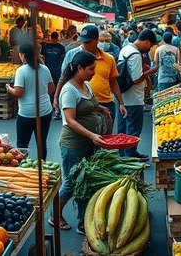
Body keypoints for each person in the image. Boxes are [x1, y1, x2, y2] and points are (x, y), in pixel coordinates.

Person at [56, 51, 109, 233]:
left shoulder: (86, 85)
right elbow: (70, 120)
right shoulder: (69, 90)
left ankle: (83, 221)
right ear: (79, 68)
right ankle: (55, 215)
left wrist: (102, 109)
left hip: (88, 143)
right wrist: (92, 135)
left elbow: (91, 105)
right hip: (73, 144)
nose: (94, 72)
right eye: (91, 69)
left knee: (86, 181)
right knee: (71, 183)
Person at [56, 25, 127, 132]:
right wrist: (56, 98)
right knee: (86, 137)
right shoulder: (73, 54)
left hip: (105, 103)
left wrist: (121, 103)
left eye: (88, 42)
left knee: (106, 139)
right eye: (83, 41)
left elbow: (112, 81)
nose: (84, 45)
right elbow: (63, 77)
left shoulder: (109, 59)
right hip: (82, 104)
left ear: (96, 40)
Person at [6, 44, 55, 160]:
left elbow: (18, 93)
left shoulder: (21, 71)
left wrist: (9, 88)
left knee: (22, 144)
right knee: (41, 142)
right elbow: (51, 89)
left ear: (23, 55)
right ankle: (42, 167)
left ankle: (24, 168)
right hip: (44, 111)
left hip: (27, 113)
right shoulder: (44, 68)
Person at [117, 29, 157, 160]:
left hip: (124, 96)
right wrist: (152, 71)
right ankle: (130, 155)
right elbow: (136, 78)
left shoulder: (125, 48)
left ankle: (123, 154)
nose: (149, 48)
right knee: (133, 128)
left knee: (123, 128)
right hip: (133, 98)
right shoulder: (135, 54)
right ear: (146, 42)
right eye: (150, 45)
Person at [42, 32, 66, 119]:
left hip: (57, 70)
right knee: (48, 88)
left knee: (56, 88)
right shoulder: (47, 46)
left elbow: (63, 58)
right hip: (49, 70)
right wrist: (44, 66)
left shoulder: (60, 47)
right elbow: (43, 57)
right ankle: (51, 106)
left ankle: (56, 108)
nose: (54, 40)